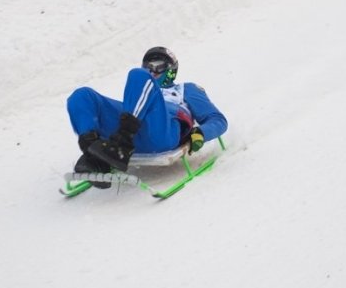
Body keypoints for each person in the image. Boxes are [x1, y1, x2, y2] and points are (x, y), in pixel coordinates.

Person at [66, 47, 228, 187]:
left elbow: (217, 119)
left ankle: (120, 145)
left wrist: (200, 133)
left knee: (138, 76)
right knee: (82, 95)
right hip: (133, 130)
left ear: (171, 69)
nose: (151, 70)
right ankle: (93, 153)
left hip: (163, 131)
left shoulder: (186, 89)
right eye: (147, 66)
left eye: (158, 66)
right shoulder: (139, 93)